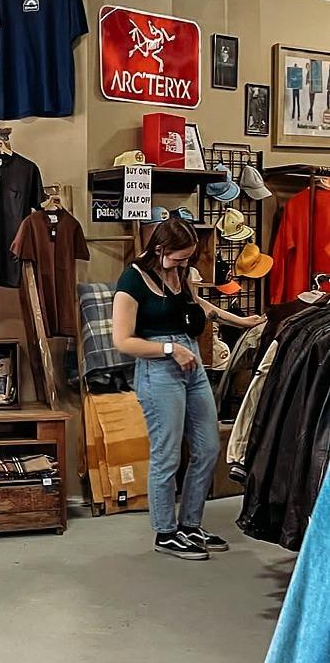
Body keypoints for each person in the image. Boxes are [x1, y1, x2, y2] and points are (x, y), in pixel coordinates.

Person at [111, 218, 264, 560]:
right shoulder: (132, 280)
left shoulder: (182, 274)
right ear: (160, 248)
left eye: (188, 258)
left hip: (191, 362)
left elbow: (198, 306)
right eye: (179, 258)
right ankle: (166, 531)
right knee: (167, 454)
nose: (184, 264)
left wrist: (242, 322)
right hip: (158, 367)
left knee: (208, 447)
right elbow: (122, 340)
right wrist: (169, 350)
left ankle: (190, 525)